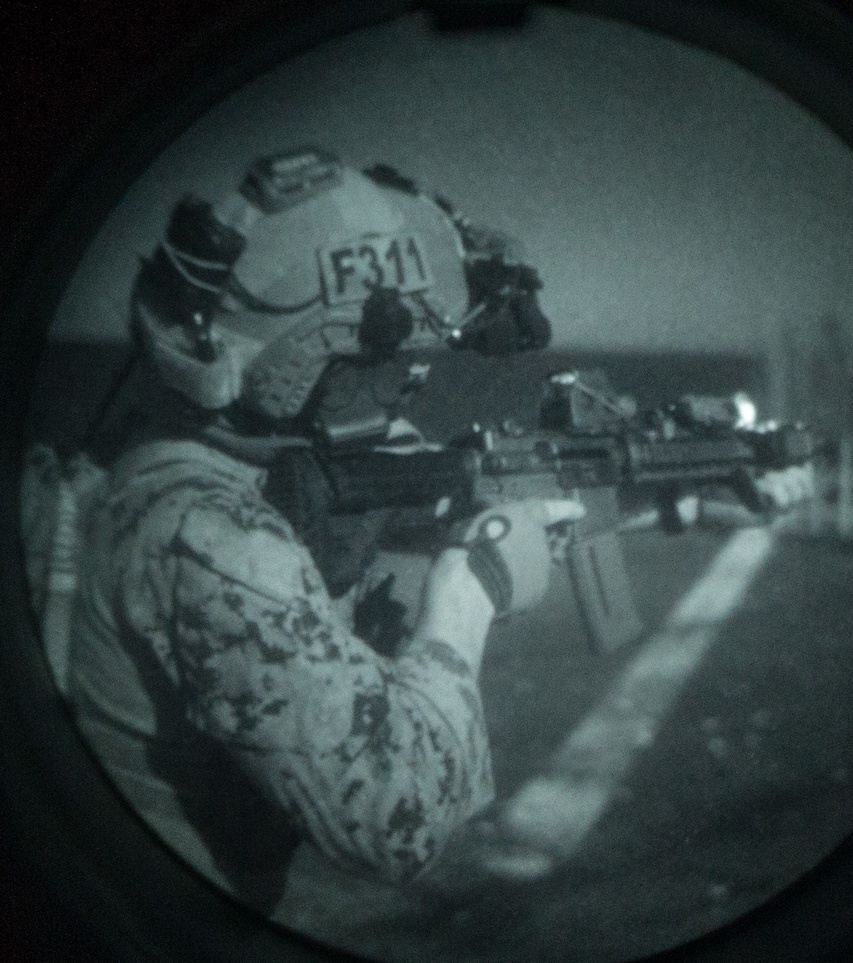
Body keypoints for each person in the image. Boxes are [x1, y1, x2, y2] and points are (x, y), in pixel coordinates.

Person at [62, 149, 578, 921]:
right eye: (394, 361)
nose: (411, 382)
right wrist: (474, 591)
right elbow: (397, 821)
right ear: (302, 367)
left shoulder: (200, 445)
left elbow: (414, 504)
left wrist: (679, 495)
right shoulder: (211, 535)